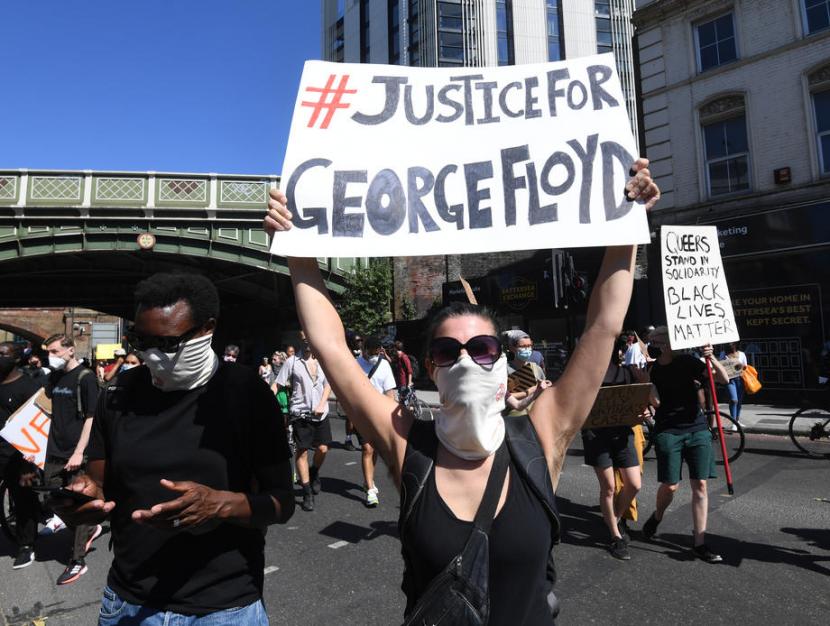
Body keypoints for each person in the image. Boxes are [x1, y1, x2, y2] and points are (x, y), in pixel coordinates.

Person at [263, 159, 659, 623]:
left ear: (504, 360)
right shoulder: (406, 442)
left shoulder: (541, 434)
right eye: (449, 350)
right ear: (431, 367)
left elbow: (602, 326)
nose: (468, 359)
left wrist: (629, 224)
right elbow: (330, 346)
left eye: (484, 347)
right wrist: (296, 247)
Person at [53, 272, 294, 624]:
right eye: (141, 340)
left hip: (223, 608)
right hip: (129, 603)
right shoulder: (118, 396)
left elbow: (282, 503)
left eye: (166, 343)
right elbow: (100, 485)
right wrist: (82, 501)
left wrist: (220, 506)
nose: (152, 354)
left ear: (207, 329)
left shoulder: (247, 394)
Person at [641, 326, 729, 563]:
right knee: (670, 485)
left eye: (656, 340)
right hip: (668, 431)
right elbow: (655, 402)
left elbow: (723, 379)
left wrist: (710, 357)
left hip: (697, 428)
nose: (653, 343)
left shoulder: (690, 362)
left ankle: (699, 543)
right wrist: (646, 381)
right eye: (652, 340)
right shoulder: (652, 369)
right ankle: (657, 516)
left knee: (700, 484)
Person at [580, 335, 652, 560]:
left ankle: (615, 518)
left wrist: (645, 408)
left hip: (622, 434)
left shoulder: (627, 372)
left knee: (634, 484)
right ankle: (615, 536)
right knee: (609, 487)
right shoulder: (586, 373)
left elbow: (646, 402)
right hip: (596, 436)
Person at [41, 333, 103, 585]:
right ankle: (89, 527)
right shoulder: (54, 377)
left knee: (79, 504)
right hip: (53, 451)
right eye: (49, 352)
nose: (50, 357)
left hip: (76, 453)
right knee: (50, 498)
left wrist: (79, 451)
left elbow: (91, 417)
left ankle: (77, 561)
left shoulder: (85, 378)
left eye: (55, 352)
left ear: (70, 350)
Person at [275, 334, 331, 512]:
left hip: (321, 414)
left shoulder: (322, 359)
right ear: (299, 340)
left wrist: (322, 404)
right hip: (300, 413)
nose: (307, 341)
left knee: (323, 448)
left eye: (310, 338)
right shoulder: (291, 362)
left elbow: (328, 384)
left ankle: (313, 472)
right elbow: (277, 384)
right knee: (302, 450)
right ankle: (307, 492)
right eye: (304, 339)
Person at [0, 341, 44, 569]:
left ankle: (26, 546)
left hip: (18, 458)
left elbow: (37, 428)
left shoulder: (28, 387)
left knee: (23, 500)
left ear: (17, 358)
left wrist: (30, 465)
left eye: (2, 354)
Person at [354, 336, 397, 507]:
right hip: (361, 415)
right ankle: (370, 489)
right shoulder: (355, 365)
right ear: (364, 349)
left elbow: (389, 392)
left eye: (377, 352)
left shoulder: (384, 364)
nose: (374, 356)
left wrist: (392, 416)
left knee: (376, 450)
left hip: (379, 415)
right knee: (367, 448)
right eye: (371, 352)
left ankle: (368, 480)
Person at [719, 342, 747, 428]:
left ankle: (737, 421)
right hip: (730, 380)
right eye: (728, 343)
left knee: (739, 401)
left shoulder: (742, 354)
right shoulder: (723, 353)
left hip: (740, 379)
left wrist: (740, 366)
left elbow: (745, 366)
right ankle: (733, 423)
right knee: (733, 400)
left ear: (735, 344)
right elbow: (720, 366)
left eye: (731, 343)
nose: (729, 344)